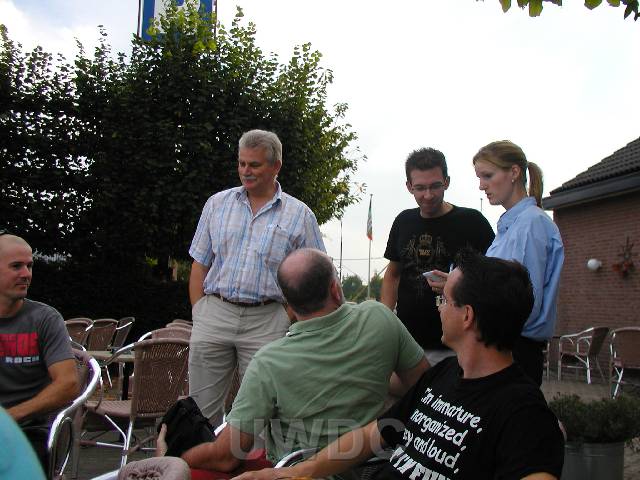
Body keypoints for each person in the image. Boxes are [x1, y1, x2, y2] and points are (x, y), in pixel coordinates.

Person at [233, 250, 565, 480]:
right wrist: (296, 472)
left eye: (444, 299)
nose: (438, 308)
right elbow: (372, 435)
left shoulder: (523, 413)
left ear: (467, 316)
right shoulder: (443, 375)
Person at [158, 248, 428, 474]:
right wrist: (369, 373)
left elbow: (226, 456)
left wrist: (172, 458)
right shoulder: (379, 318)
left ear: (287, 303)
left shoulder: (269, 362)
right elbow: (423, 386)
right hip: (372, 467)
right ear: (335, 289)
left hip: (297, 472)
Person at [188, 129, 326, 427]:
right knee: (199, 410)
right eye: (241, 163)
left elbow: (317, 275)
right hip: (215, 313)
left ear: (276, 166)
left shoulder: (299, 215)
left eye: (254, 165)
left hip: (267, 320)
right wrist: (200, 310)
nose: (245, 171)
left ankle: (255, 459)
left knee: (260, 414)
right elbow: (199, 263)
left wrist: (286, 316)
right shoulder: (217, 204)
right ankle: (199, 456)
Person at [381, 148, 494, 366]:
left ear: (447, 182)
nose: (428, 195)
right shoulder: (403, 221)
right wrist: (385, 319)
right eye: (420, 188)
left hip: (456, 349)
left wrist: (457, 285)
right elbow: (392, 275)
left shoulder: (473, 222)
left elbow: (494, 280)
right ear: (409, 186)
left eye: (435, 186)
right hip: (406, 345)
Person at [472, 140, 564, 386]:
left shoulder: (531, 224)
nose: (481, 186)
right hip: (504, 346)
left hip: (514, 350)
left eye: (487, 176)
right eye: (479, 178)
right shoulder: (511, 226)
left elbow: (522, 301)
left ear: (514, 172)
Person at [0, 232, 79, 469]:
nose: (26, 274)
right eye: (16, 266)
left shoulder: (45, 319)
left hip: (28, 430)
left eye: (29, 266)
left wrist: (10, 417)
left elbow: (68, 384)